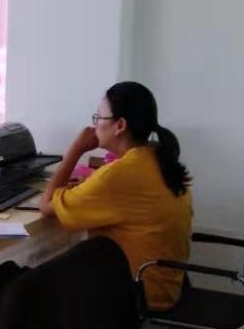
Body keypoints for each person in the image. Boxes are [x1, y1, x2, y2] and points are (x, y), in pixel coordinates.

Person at [39, 81, 192, 309]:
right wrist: (91, 185)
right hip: (165, 283)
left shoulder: (120, 174)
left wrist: (75, 150)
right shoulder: (156, 156)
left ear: (119, 125)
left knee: (30, 285)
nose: (95, 125)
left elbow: (47, 205)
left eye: (99, 118)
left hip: (138, 291)